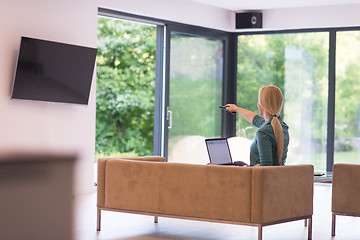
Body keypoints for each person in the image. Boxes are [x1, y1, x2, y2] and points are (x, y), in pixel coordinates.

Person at [223, 85, 289, 166]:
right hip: (277, 177)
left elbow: (265, 168)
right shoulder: (282, 127)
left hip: (259, 177)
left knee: (214, 166)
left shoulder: (263, 132)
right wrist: (236, 109)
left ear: (262, 104)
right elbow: (255, 119)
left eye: (258, 100)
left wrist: (246, 169)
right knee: (237, 164)